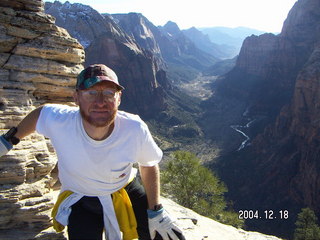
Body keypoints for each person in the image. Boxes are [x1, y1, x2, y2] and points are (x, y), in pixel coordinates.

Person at [0, 64, 185, 240]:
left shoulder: (134, 128)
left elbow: (149, 164)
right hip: (81, 198)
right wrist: (9, 140)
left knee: (164, 236)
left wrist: (156, 210)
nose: (100, 102)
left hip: (123, 189)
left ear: (118, 99)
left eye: (108, 93)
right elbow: (40, 114)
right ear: (76, 97)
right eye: (91, 93)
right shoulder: (60, 121)